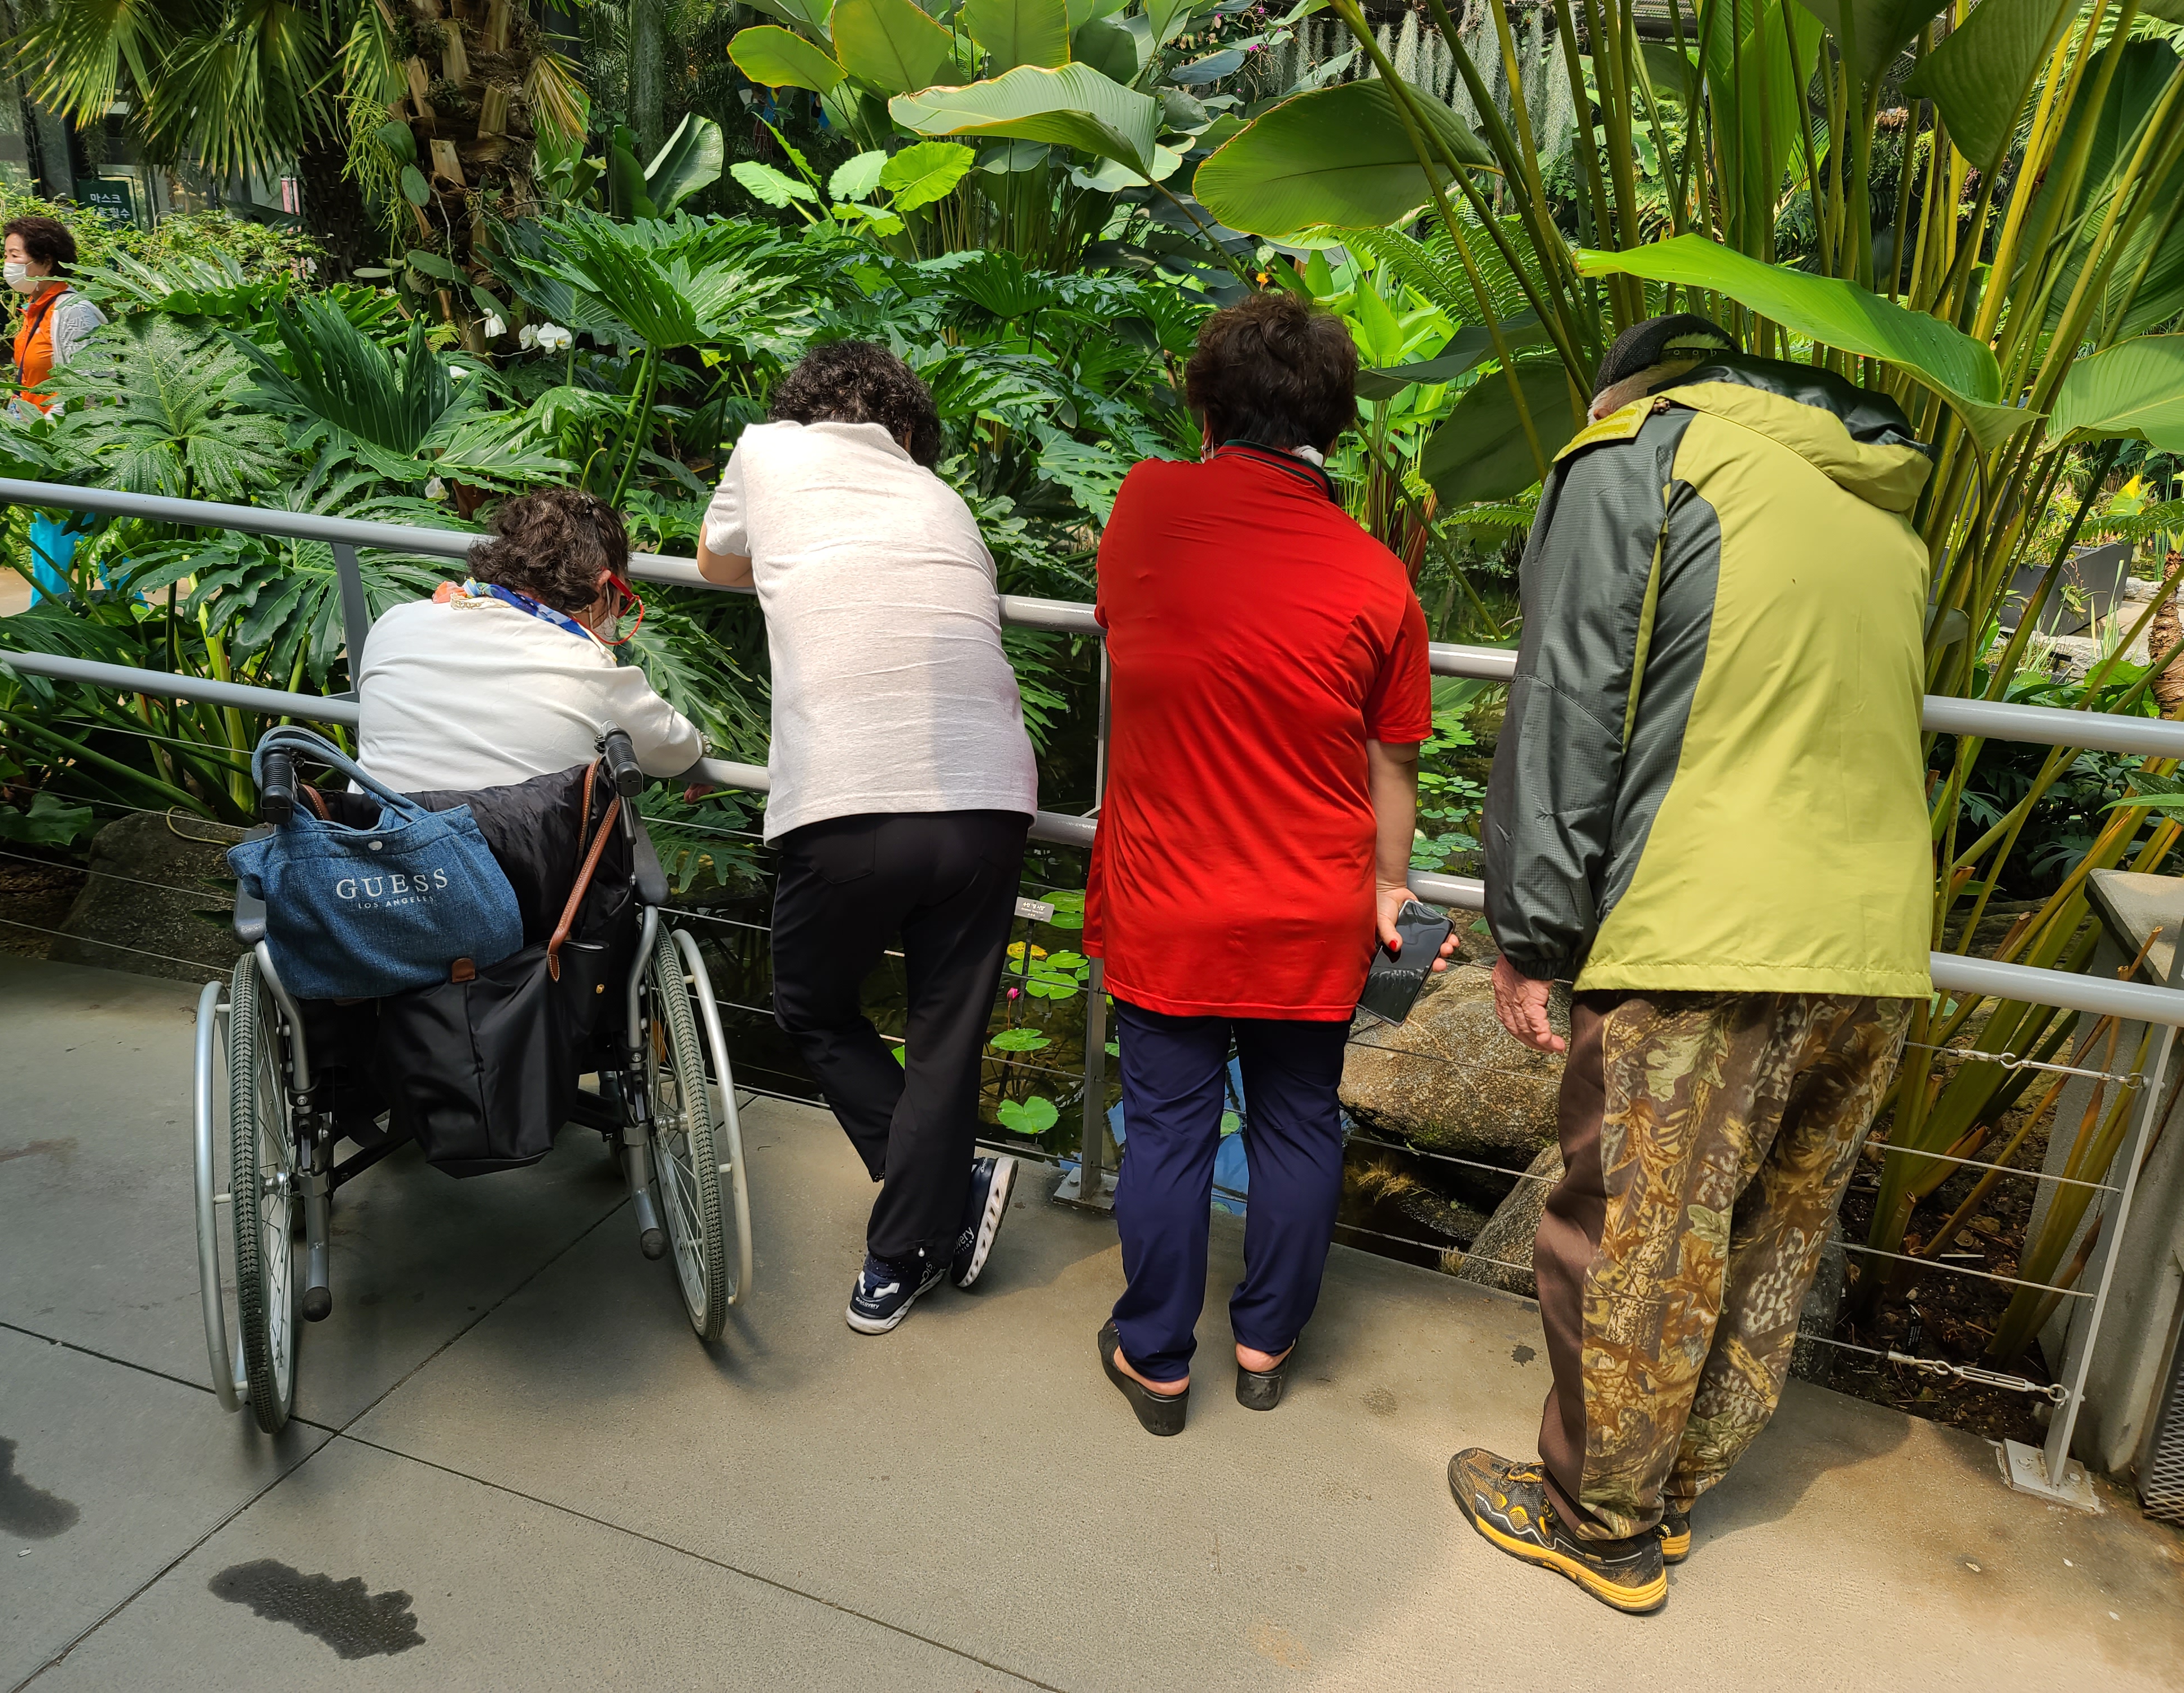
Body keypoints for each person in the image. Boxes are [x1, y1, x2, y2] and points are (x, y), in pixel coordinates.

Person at [1448, 314, 1934, 1614]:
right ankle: (1667, 1496)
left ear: (1628, 388)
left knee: (1633, 1239)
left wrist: (1531, 935)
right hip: (1877, 941)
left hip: (1707, 924)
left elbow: (1567, 703)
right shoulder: (1878, 509)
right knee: (1769, 1230)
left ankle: (1595, 1521)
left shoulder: (1636, 458)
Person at [1086, 291, 1452, 1437]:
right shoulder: (1375, 576)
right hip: (1311, 907)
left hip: (1166, 901)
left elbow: (1121, 627)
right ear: (1336, 426)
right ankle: (1261, 1341)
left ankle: (1154, 1360)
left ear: (1203, 403)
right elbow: (1393, 762)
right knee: (1297, 1124)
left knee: (1168, 1132)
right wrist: (1390, 887)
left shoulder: (1146, 504)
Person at [697, 341, 1038, 1335]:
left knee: (808, 1002)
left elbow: (719, 560)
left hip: (847, 796)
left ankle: (922, 1225)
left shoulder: (765, 452)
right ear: (909, 431)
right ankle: (908, 1242)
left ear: (801, 409)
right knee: (945, 1034)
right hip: (991, 796)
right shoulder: (942, 499)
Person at [357, 488, 703, 792]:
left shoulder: (396, 623)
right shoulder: (586, 668)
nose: (619, 614)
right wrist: (708, 755)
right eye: (622, 599)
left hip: (374, 850)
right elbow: (675, 750)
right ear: (602, 586)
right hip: (509, 860)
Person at [2, 215, 106, 600]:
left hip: (71, 448)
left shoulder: (72, 312)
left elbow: (90, 387)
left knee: (98, 540)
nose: (8, 264)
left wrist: (48, 433)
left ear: (45, 260)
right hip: (43, 447)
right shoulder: (37, 308)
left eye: (15, 255)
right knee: (55, 538)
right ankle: (52, 624)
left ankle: (138, 623)